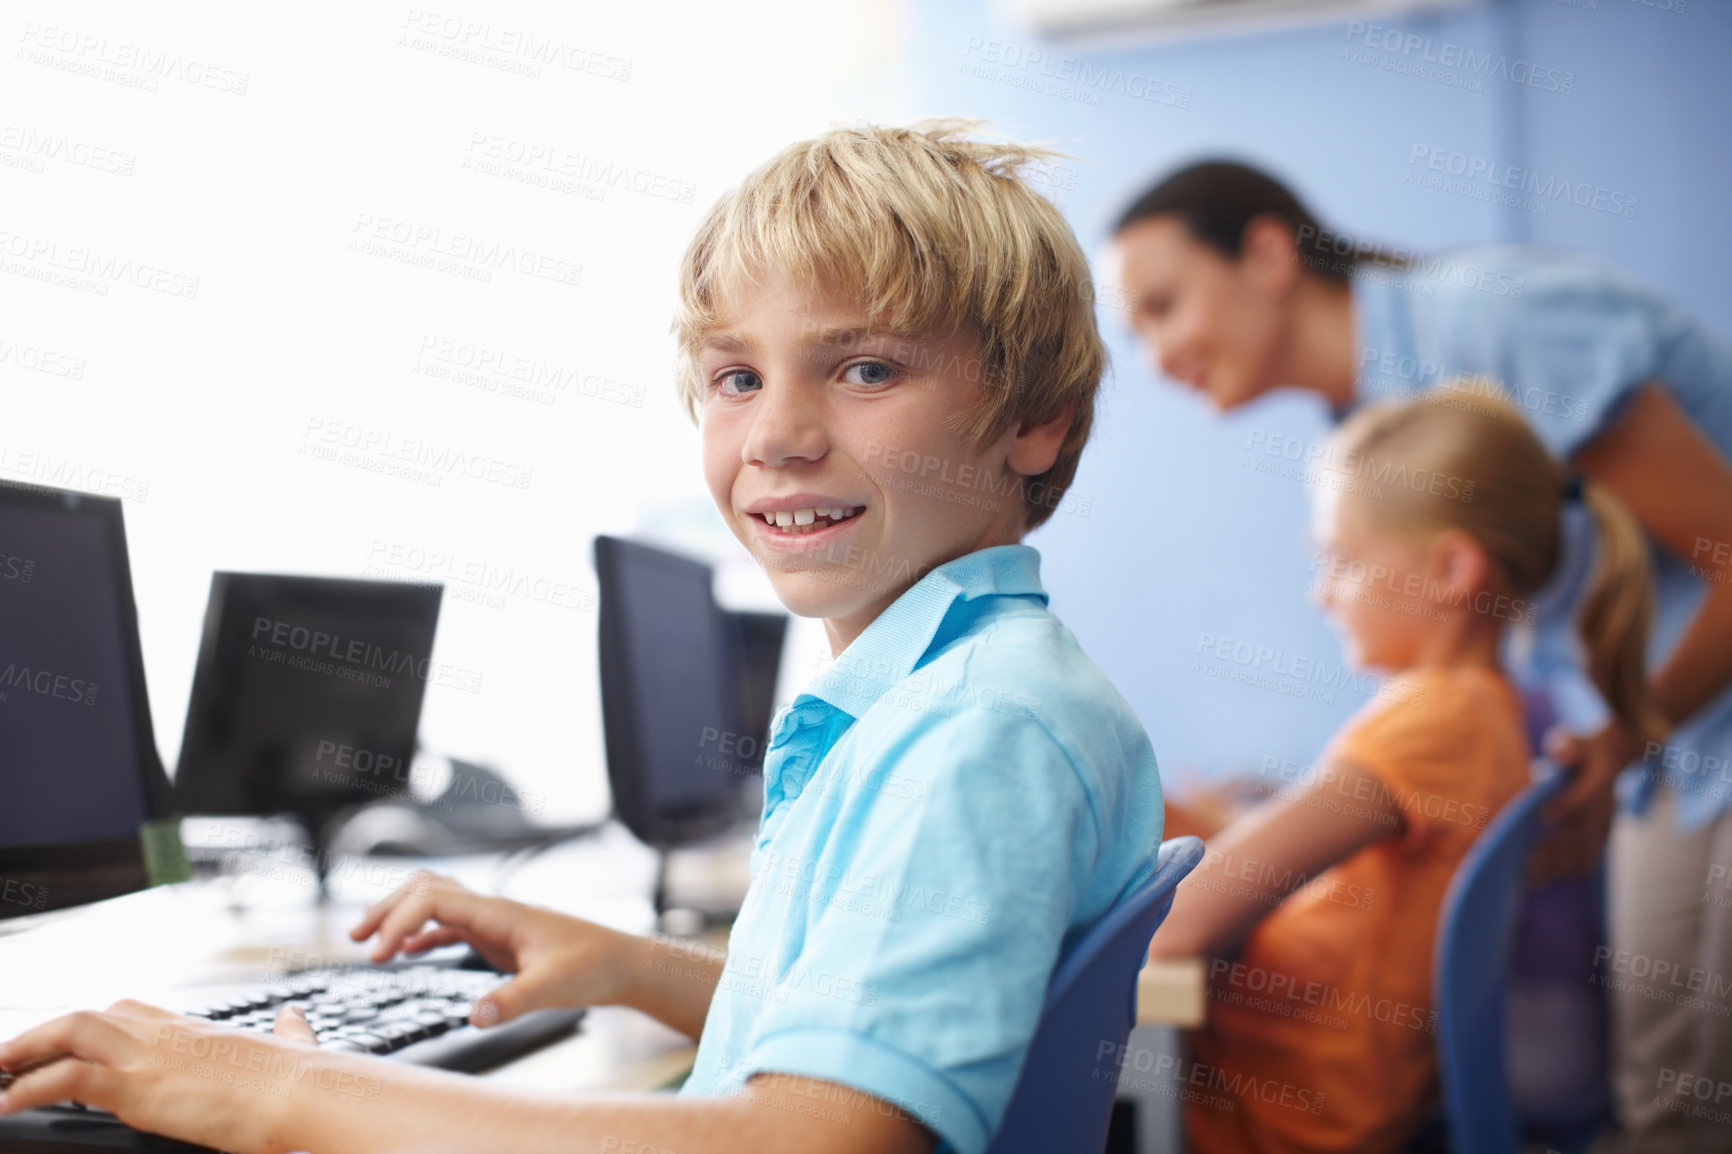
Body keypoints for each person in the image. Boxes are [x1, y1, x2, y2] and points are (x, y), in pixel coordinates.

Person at [0, 121, 1164, 1154]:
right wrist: (629, 962)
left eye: (864, 368)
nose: (778, 434)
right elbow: (852, 1032)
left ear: (1033, 418)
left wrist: (288, 1089)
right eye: (736, 375)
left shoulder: (972, 731)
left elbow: (815, 1135)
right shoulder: (965, 692)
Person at [1112, 161, 1732, 1151]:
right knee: (1669, 1110)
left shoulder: (1492, 326)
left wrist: (1617, 740)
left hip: (1697, 739)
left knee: (1689, 1116)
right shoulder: (1385, 431)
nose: (1152, 357)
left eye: (1161, 305)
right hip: (1673, 748)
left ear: (1267, 254)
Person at [1149, 388, 1663, 1151]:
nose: (1321, 593)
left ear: (1452, 567)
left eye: (1342, 561)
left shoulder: (1431, 721)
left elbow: (1178, 929)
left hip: (1268, 1115)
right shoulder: (1487, 712)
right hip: (1341, 1103)